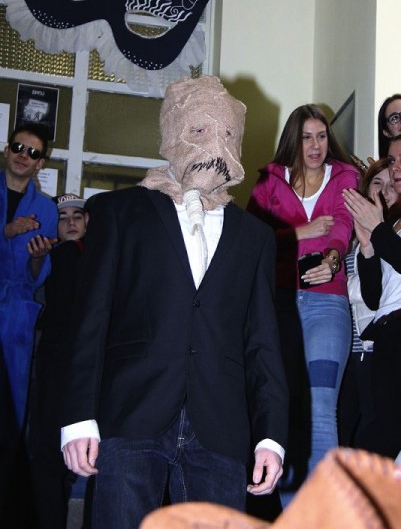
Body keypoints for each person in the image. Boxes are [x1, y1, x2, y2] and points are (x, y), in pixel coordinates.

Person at [59, 76, 289, 529]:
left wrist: (271, 436)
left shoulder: (255, 237)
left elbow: (263, 341)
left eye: (226, 133)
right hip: (132, 412)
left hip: (220, 424)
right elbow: (91, 319)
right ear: (173, 130)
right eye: (199, 130)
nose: (214, 144)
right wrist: (78, 417)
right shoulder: (119, 213)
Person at [247, 104, 359, 505]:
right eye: (307, 137)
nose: (315, 145)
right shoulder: (268, 182)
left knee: (322, 406)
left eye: (322, 136)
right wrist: (302, 232)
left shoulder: (345, 177)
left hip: (327, 305)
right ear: (294, 141)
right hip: (278, 305)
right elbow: (251, 239)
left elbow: (343, 224)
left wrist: (332, 258)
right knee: (286, 408)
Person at [0, 122, 58, 526]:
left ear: (41, 164)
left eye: (33, 152)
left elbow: (38, 277)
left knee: (8, 421)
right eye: (18, 147)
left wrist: (37, 257)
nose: (24, 155)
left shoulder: (47, 210)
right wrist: (5, 232)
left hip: (17, 320)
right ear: (6, 151)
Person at [30, 193, 89, 529]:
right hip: (54, 366)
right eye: (63, 217)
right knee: (51, 456)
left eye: (77, 216)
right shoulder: (51, 256)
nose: (70, 222)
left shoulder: (93, 257)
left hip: (76, 367)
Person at [343, 135, 401, 459]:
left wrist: (377, 230)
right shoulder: (391, 224)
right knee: (377, 438)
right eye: (392, 160)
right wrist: (366, 245)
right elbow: (374, 297)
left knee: (378, 440)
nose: (396, 168)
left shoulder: (385, 227)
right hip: (385, 335)